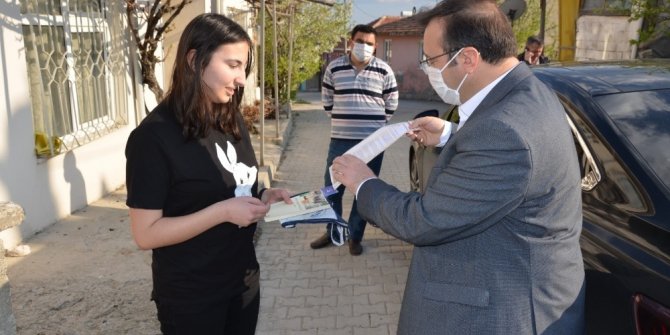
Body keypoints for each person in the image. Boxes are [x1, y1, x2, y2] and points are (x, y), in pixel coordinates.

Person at [331, 0, 585, 334]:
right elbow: (508, 162)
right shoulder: (527, 91)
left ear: (467, 59)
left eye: (431, 59)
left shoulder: (506, 132)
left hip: (502, 313)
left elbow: (424, 220)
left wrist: (364, 182)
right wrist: (451, 134)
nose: (426, 69)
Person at [125, 14, 290, 334]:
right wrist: (222, 212)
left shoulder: (231, 119)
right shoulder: (153, 138)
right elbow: (146, 234)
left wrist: (264, 197)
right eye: (233, 65)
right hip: (192, 297)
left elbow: (235, 190)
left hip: (243, 281)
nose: (242, 78)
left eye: (244, 67)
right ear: (194, 60)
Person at [310, 24, 399, 255]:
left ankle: (354, 236)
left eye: (370, 43)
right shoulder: (334, 68)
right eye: (360, 41)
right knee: (331, 189)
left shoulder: (384, 71)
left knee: (364, 191)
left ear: (376, 46)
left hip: (372, 145)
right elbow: (327, 102)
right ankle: (332, 232)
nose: (365, 47)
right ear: (351, 42)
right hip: (340, 141)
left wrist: (373, 127)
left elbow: (391, 105)